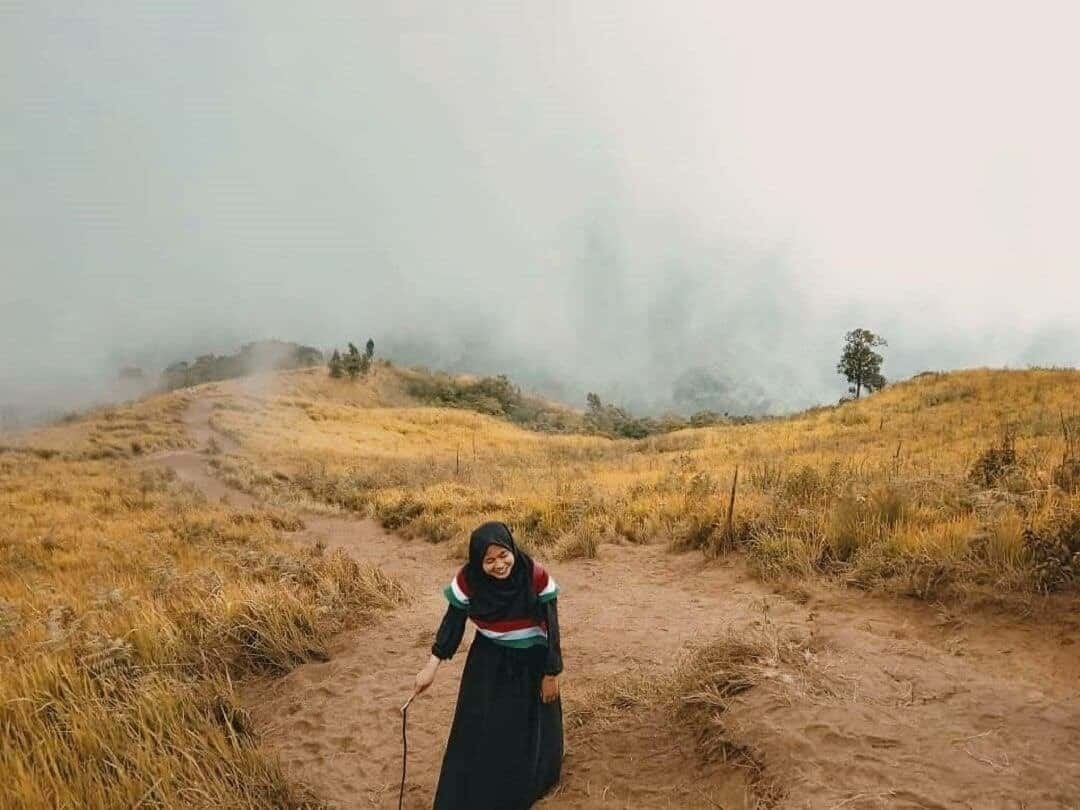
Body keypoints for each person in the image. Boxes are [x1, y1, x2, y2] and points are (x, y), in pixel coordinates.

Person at [412, 521, 564, 809]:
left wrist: (550, 673)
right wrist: (430, 668)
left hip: (531, 661)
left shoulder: (534, 576)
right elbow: (452, 623)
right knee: (479, 723)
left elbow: (552, 628)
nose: (499, 565)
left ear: (512, 549)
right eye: (489, 559)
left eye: (503, 555)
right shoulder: (469, 580)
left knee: (527, 728)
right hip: (488, 659)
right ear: (477, 560)